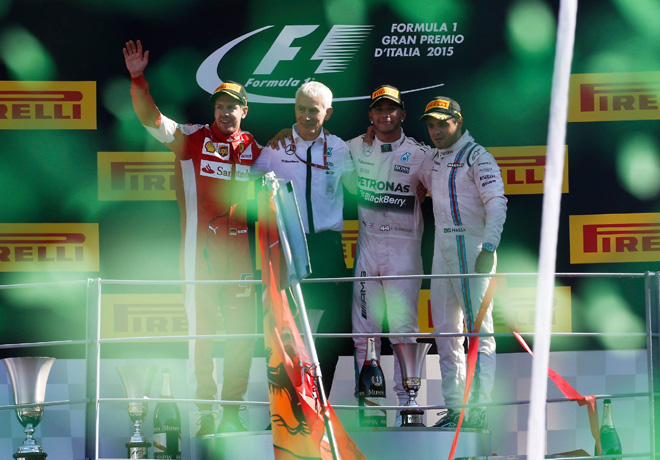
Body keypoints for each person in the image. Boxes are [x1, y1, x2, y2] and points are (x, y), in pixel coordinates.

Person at [123, 40, 262, 435]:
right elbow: (151, 119)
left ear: (244, 111)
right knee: (201, 333)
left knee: (240, 335)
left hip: (240, 257)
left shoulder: (255, 149)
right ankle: (204, 411)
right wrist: (138, 80)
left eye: (232, 106)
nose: (225, 111)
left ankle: (232, 410)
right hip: (199, 254)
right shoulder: (191, 139)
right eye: (220, 106)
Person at [253, 81, 355, 398]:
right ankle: (291, 406)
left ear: (328, 112)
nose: (307, 116)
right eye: (301, 109)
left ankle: (320, 402)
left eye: (314, 110)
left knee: (329, 328)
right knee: (289, 325)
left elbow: (358, 188)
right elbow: (247, 180)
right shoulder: (277, 147)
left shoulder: (339, 148)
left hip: (327, 246)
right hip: (289, 246)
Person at [418, 97, 507, 430]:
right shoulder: (432, 158)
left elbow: (496, 202)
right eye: (431, 125)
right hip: (442, 250)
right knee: (445, 334)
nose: (436, 131)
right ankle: (455, 408)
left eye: (443, 124)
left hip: (472, 249)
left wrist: (489, 246)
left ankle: (480, 409)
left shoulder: (478, 156)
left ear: (458, 121)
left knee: (478, 331)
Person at [346, 85, 431, 424]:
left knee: (403, 330)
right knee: (364, 332)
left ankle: (408, 405)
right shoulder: (355, 146)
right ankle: (372, 406)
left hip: (403, 252)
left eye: (391, 109)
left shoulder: (420, 154)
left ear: (402, 114)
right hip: (368, 249)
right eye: (379, 109)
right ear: (370, 115)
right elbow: (318, 146)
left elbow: (444, 185)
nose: (385, 115)